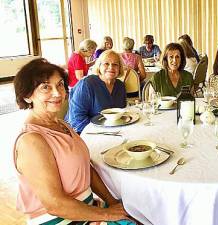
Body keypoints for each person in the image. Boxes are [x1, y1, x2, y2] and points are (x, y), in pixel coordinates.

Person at [12, 58, 137, 224]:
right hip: (59, 219)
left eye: (60, 85)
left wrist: (113, 203)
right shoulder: (31, 141)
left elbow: (86, 168)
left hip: (85, 207)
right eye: (45, 87)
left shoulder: (61, 124)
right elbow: (55, 205)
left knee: (139, 212)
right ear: (27, 96)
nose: (57, 93)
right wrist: (108, 214)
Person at [66, 50, 126, 133]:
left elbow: (121, 113)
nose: (111, 67)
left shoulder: (120, 86)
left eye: (115, 64)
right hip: (83, 133)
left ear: (119, 68)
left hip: (112, 131)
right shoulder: (87, 84)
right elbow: (76, 119)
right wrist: (100, 133)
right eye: (106, 63)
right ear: (99, 66)